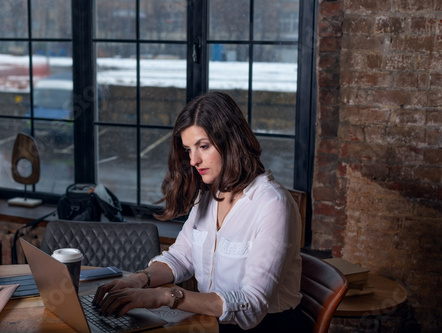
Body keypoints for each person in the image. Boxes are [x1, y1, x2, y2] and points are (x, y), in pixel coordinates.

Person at [93, 91, 305, 331]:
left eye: (203, 146)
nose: (193, 160)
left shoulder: (273, 204)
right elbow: (182, 257)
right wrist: (139, 279)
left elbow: (251, 306)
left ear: (232, 141)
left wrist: (165, 297)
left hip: (267, 327)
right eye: (188, 149)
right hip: (209, 321)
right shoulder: (208, 194)